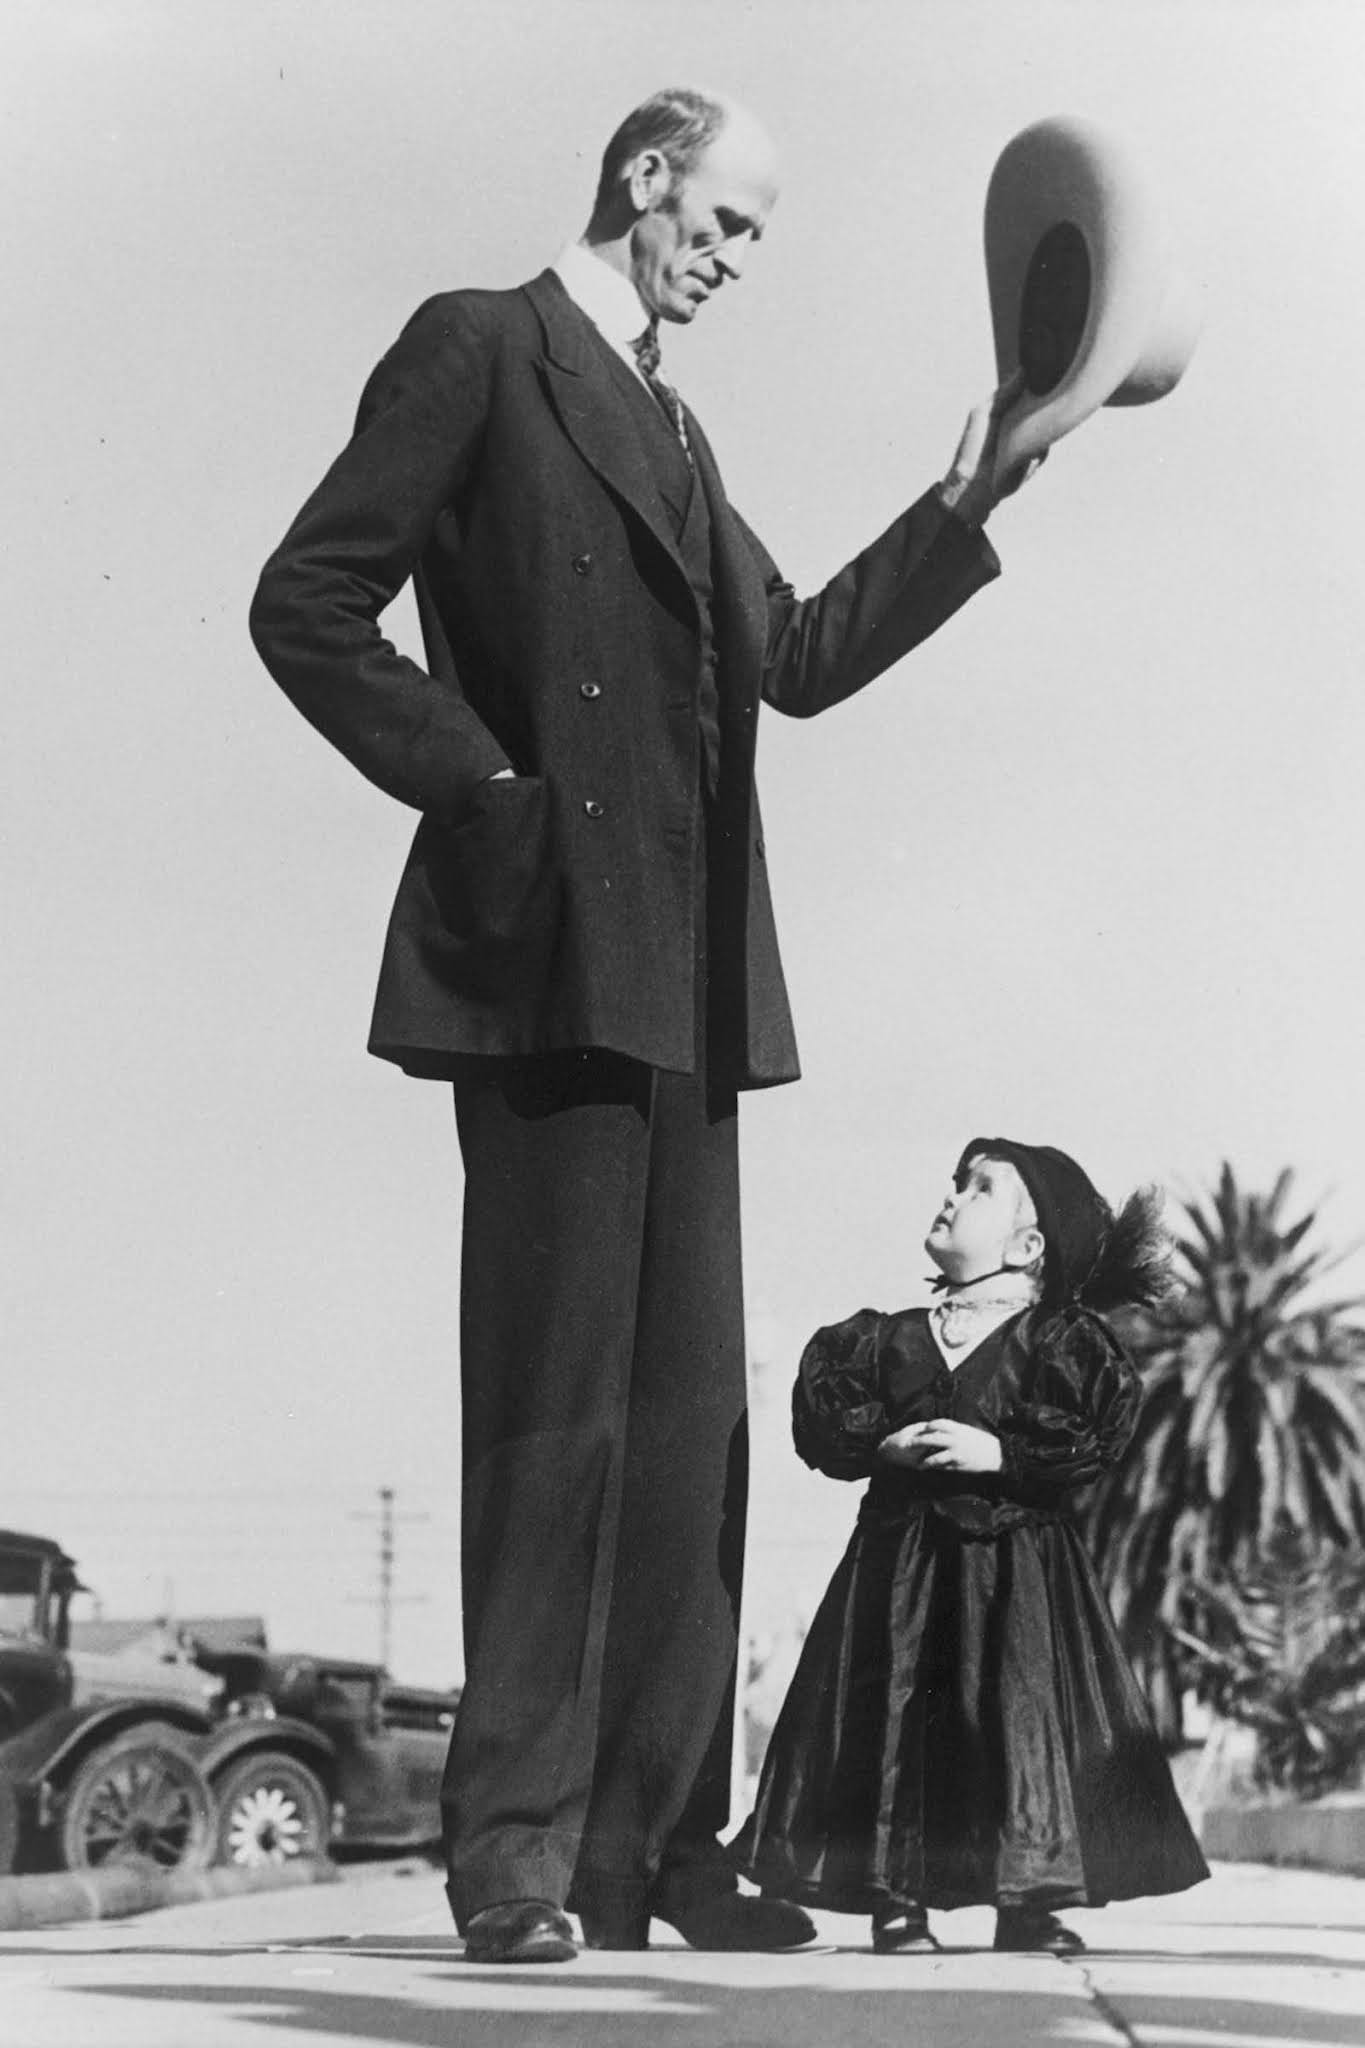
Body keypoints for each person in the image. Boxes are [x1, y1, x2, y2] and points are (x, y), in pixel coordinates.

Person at [248, 88, 1033, 1966]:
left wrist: (972, 494)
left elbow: (808, 652)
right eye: (732, 218)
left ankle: (663, 1847)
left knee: (690, 1437)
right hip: (539, 962)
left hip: (685, 989)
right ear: (647, 173)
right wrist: (486, 786)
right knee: (551, 1422)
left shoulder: (679, 429)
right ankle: (517, 1848)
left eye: (758, 238)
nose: (738, 257)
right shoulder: (484, 345)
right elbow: (309, 599)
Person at [732, 1139, 1210, 1952]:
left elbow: (1098, 1435)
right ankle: (895, 1897)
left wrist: (1004, 1456)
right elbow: (828, 1429)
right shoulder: (880, 1340)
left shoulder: (1060, 1343)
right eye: (955, 1181)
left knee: (1017, 1720)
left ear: (1028, 1248)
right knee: (893, 1721)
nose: (952, 1196)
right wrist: (882, 1445)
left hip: (1017, 1576)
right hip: (897, 1572)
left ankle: (1026, 1899)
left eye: (980, 1189)